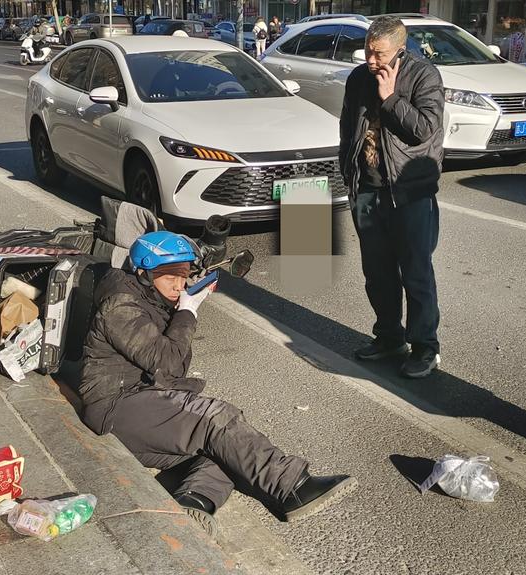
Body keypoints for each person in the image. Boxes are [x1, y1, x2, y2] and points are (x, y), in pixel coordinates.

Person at [78, 231, 356, 534]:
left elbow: (174, 366)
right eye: (169, 276)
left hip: (143, 398)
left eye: (182, 275)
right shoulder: (121, 306)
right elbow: (169, 365)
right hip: (117, 404)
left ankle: (194, 502)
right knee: (216, 419)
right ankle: (291, 486)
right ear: (144, 275)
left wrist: (183, 309)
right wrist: (186, 312)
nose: (179, 285)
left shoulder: (149, 297)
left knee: (225, 450)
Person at [338, 16, 444, 379]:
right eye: (368, 50)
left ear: (400, 48)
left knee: (416, 273)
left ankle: (425, 347)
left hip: (409, 192)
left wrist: (391, 98)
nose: (371, 60)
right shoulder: (357, 79)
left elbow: (424, 129)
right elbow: (347, 127)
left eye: (378, 53)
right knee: (377, 272)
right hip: (368, 189)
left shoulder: (424, 75)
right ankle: (389, 337)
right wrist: (348, 173)